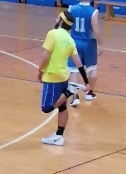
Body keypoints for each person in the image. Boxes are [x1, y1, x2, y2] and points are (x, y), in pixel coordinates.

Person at [39, 9, 91, 147]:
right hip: (64, 76)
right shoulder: (70, 39)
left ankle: (70, 91)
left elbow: (45, 57)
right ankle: (59, 136)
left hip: (52, 76)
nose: (55, 20)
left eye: (58, 18)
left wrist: (40, 71)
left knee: (46, 108)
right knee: (62, 107)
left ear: (61, 22)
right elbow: (79, 64)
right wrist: (87, 82)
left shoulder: (52, 34)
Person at [67, 0, 102, 106]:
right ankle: (89, 93)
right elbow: (95, 29)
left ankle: (75, 97)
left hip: (74, 42)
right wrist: (100, 44)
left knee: (73, 70)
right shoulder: (93, 11)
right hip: (89, 43)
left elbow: (66, 24)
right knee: (92, 69)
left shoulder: (71, 8)